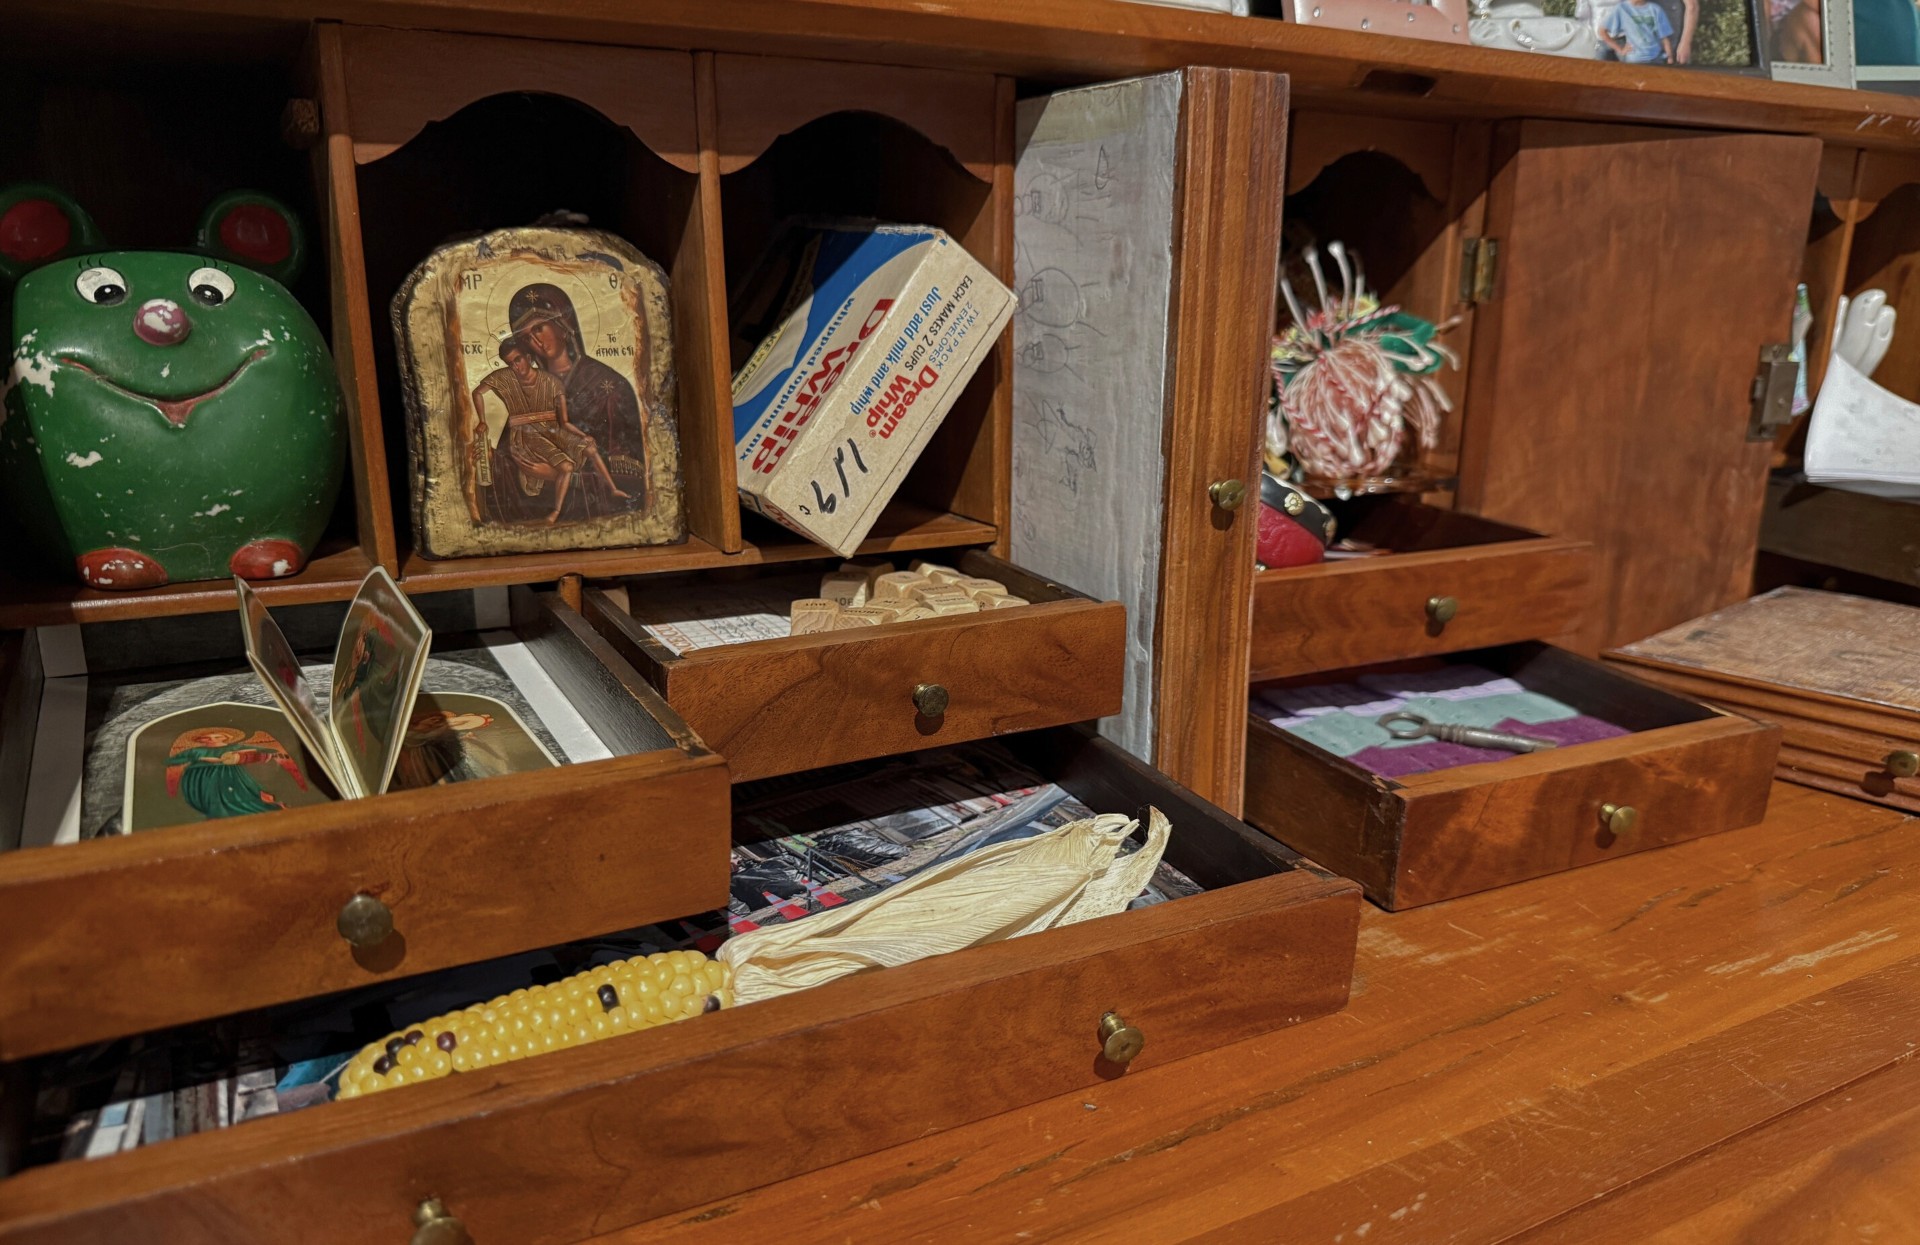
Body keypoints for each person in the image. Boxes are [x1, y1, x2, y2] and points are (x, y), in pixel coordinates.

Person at [507, 283, 651, 518]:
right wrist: (495, 462)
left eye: (540, 328)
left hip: (595, 516)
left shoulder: (610, 388)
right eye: (527, 338)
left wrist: (560, 476)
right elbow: (516, 454)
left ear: (563, 325)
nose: (536, 342)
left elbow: (633, 483)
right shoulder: (532, 391)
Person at [470, 337, 630, 525]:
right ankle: (555, 513)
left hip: (553, 430)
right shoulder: (504, 378)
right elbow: (477, 393)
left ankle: (613, 488)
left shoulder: (551, 381)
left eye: (518, 360)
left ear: (528, 357)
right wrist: (482, 420)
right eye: (510, 363)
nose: (515, 367)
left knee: (590, 448)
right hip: (525, 434)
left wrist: (583, 436)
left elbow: (565, 422)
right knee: (567, 467)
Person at [165, 727, 306, 819]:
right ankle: (217, 814)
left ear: (225, 738)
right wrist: (201, 759)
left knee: (237, 795)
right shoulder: (197, 751)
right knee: (211, 796)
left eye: (217, 737)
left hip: (230, 775)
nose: (212, 740)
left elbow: (264, 751)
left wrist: (239, 756)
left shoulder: (236, 747)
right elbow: (172, 761)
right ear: (200, 740)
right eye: (207, 738)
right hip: (204, 777)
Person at [1601, 0, 1676, 62]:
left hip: (1656, 59)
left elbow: (1664, 38)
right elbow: (1602, 31)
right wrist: (1620, 50)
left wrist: (1670, 58)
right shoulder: (1621, 8)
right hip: (1634, 60)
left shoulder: (1656, 9)